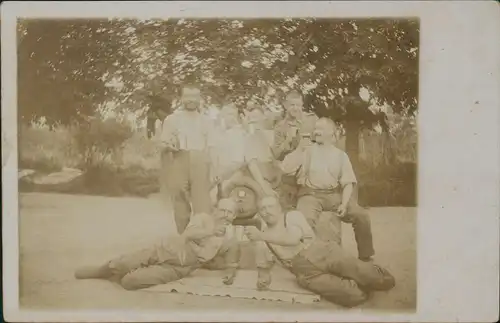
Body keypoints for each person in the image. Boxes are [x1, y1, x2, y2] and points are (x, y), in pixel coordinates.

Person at [244, 196, 395, 308]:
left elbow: (294, 238)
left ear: (279, 208)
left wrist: (261, 236)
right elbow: (263, 266)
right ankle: (355, 280)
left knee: (377, 278)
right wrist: (262, 279)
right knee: (354, 296)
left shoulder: (291, 216)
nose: (266, 211)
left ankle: (368, 274)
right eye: (262, 209)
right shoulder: (262, 235)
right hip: (305, 272)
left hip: (320, 252)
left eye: (270, 206)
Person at [74, 198, 241, 290]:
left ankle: (123, 274)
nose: (225, 215)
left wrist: (231, 271)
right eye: (222, 210)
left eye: (230, 212)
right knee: (122, 263)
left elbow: (233, 252)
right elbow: (187, 235)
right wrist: (211, 232)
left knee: (130, 282)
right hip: (167, 249)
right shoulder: (204, 218)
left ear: (234, 216)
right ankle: (101, 271)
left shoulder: (231, 236)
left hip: (180, 268)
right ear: (215, 210)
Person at [280, 117, 375, 261]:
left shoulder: (340, 155)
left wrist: (344, 204)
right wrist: (299, 149)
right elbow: (286, 169)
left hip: (334, 195)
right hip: (311, 195)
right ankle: (303, 259)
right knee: (304, 220)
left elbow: (348, 183)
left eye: (321, 129)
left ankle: (365, 256)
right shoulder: (307, 150)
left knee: (361, 215)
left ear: (331, 132)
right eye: (316, 128)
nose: (316, 131)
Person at [159, 82, 216, 234]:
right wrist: (169, 145)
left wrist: (213, 169)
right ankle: (183, 239)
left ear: (200, 98)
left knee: (202, 204)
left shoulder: (207, 121)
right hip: (179, 159)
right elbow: (163, 142)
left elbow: (211, 147)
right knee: (179, 201)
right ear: (181, 98)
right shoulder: (172, 119)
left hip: (201, 160)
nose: (191, 100)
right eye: (187, 96)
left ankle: (203, 241)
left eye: (194, 96)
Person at [272, 90, 318, 209]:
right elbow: (276, 154)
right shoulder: (280, 127)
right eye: (292, 105)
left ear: (302, 105)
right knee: (288, 209)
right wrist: (288, 141)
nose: (295, 108)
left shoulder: (312, 120)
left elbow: (322, 141)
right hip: (290, 176)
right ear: (286, 105)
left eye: (298, 105)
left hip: (310, 173)